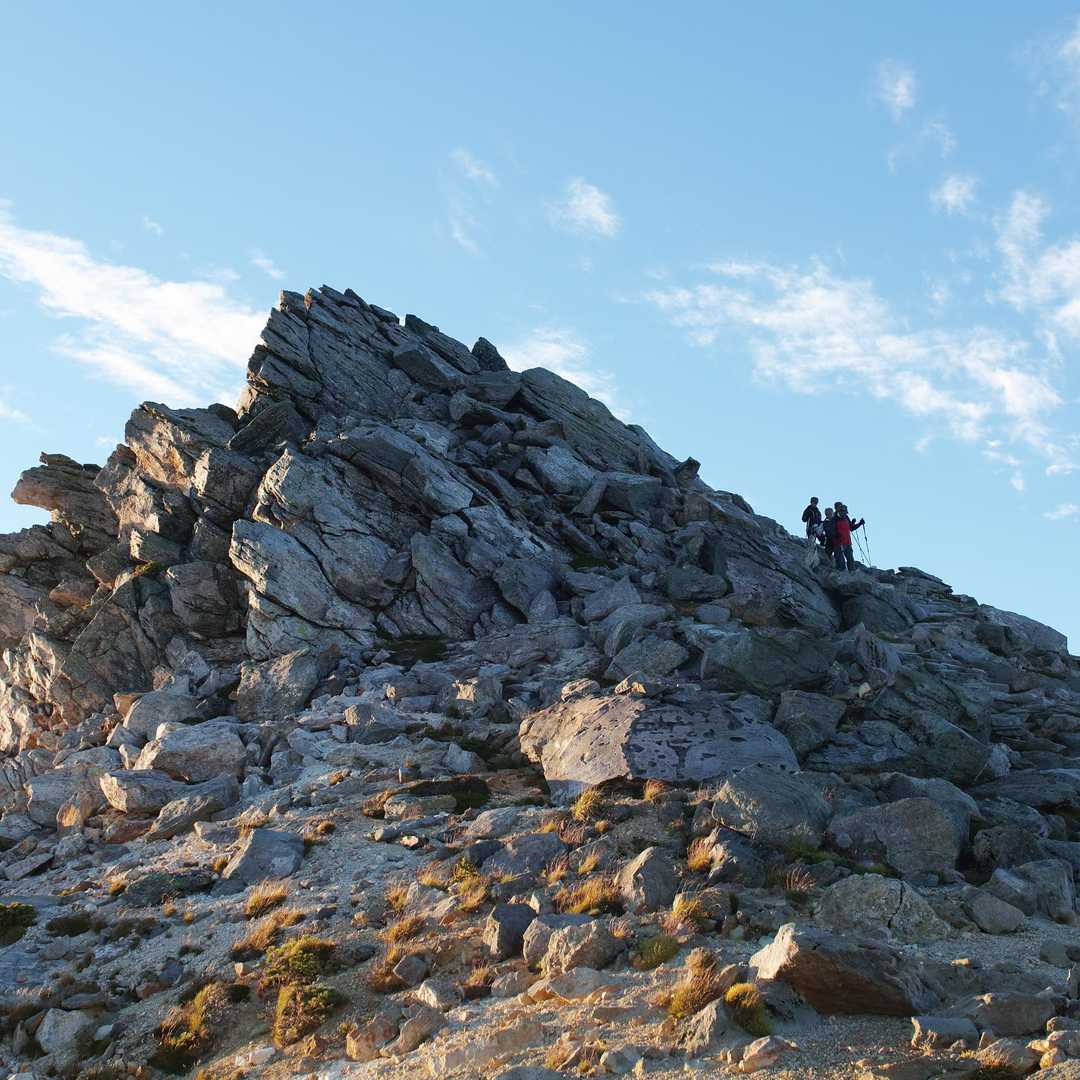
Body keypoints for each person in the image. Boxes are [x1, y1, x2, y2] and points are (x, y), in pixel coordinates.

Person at [832, 502, 865, 572]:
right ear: (839, 511)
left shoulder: (846, 518)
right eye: (843, 512)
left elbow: (851, 528)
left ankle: (851, 573)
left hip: (847, 542)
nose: (844, 514)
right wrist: (836, 534)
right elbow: (831, 530)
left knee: (850, 560)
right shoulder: (834, 519)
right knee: (841, 561)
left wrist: (859, 523)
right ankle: (842, 574)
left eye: (845, 512)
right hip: (838, 543)